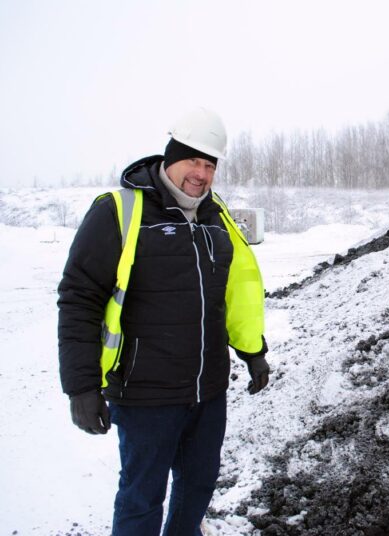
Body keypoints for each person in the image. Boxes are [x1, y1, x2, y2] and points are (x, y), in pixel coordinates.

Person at [58, 107, 270, 535]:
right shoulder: (119, 211)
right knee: (142, 498)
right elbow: (80, 298)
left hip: (208, 392)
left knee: (197, 489)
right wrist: (81, 386)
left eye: (210, 164)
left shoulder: (217, 218)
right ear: (169, 157)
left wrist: (253, 352)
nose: (201, 173)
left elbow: (235, 294)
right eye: (193, 159)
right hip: (145, 396)